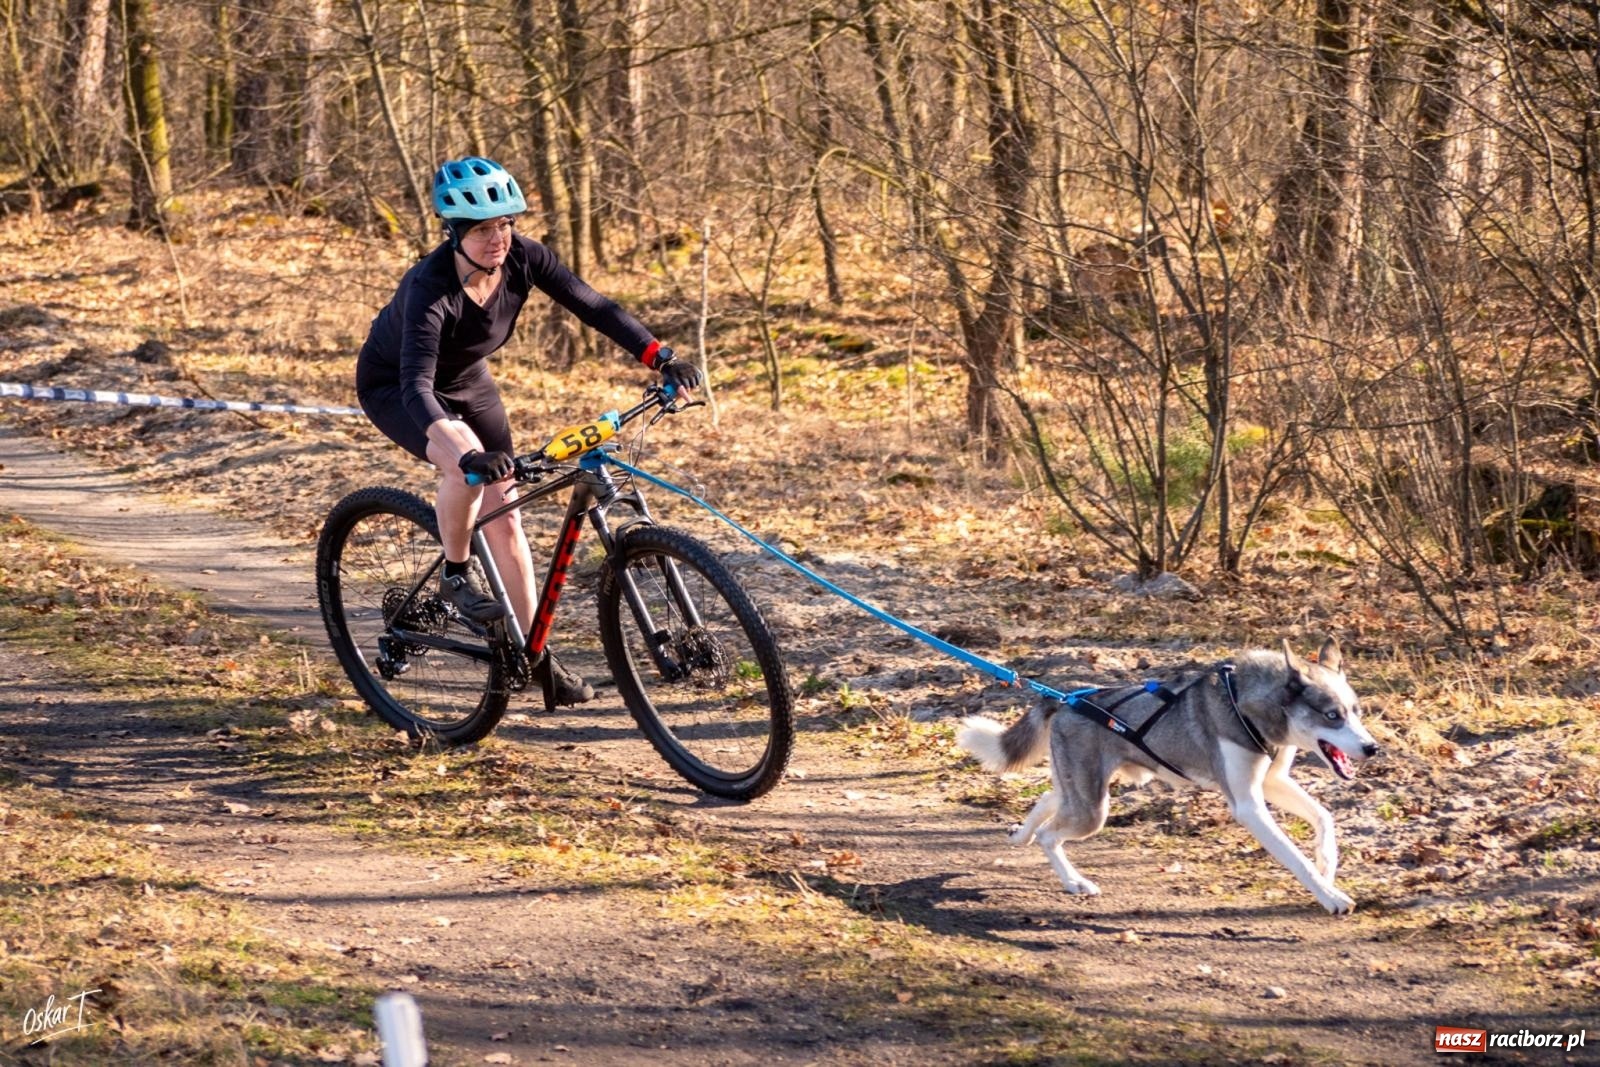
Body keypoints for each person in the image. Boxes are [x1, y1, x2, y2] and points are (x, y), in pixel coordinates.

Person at [355, 156, 701, 705]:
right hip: (397, 388)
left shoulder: (524, 257)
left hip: (469, 382)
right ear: (454, 233)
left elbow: (594, 306)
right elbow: (416, 383)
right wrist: (464, 455)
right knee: (465, 463)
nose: (498, 239)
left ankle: (533, 655)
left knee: (507, 507)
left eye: (506, 224)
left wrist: (661, 357)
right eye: (483, 229)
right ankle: (454, 574)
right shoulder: (429, 288)